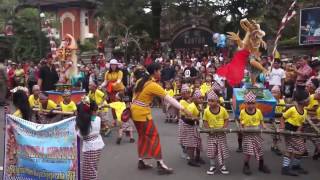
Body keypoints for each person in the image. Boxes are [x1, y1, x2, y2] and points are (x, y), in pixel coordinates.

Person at [130, 63, 192, 175]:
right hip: (143, 114)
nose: (161, 73)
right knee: (154, 137)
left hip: (134, 112)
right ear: (154, 72)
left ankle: (142, 161)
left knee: (143, 136)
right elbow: (169, 99)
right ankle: (160, 164)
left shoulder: (140, 81)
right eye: (159, 71)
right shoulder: (153, 85)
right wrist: (184, 109)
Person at [280, 86, 309, 176]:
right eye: (308, 99)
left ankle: (291, 166)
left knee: (293, 149)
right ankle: (287, 167)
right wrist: (282, 127)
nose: (309, 100)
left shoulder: (304, 111)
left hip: (295, 131)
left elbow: (301, 123)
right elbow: (282, 117)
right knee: (299, 148)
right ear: (303, 101)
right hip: (289, 130)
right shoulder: (293, 109)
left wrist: (299, 131)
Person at [240, 91, 270, 175]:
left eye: (252, 103)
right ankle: (246, 166)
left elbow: (261, 121)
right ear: (245, 103)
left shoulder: (258, 111)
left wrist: (264, 126)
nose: (250, 105)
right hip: (247, 134)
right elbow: (241, 122)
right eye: (248, 103)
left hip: (257, 133)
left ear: (255, 103)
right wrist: (242, 129)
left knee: (260, 150)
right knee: (248, 152)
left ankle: (261, 165)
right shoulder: (243, 112)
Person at [76, 97, 104, 180]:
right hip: (98, 145)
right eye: (95, 110)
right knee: (93, 167)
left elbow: (80, 135)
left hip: (90, 148)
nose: (96, 112)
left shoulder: (84, 123)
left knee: (88, 170)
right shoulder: (97, 119)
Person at [203, 90, 230, 175]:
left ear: (217, 101)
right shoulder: (206, 111)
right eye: (209, 101)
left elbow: (226, 119)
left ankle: (222, 165)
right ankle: (212, 165)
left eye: (212, 101)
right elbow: (205, 121)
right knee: (212, 150)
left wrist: (224, 127)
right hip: (212, 134)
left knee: (222, 150)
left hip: (221, 133)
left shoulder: (223, 110)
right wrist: (208, 130)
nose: (210, 103)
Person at [182, 89, 204, 167]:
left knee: (198, 141)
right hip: (188, 126)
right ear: (194, 98)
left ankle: (197, 157)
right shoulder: (191, 106)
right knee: (191, 144)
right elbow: (185, 117)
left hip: (194, 126)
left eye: (202, 98)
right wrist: (194, 118)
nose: (201, 99)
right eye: (199, 98)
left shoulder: (198, 105)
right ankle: (191, 160)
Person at [270, 86, 285, 156]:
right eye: (272, 92)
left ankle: (275, 146)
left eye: (275, 92)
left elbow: (283, 110)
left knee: (278, 134)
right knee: (274, 134)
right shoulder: (270, 101)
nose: (273, 94)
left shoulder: (282, 101)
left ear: (279, 93)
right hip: (273, 119)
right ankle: (275, 146)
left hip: (280, 119)